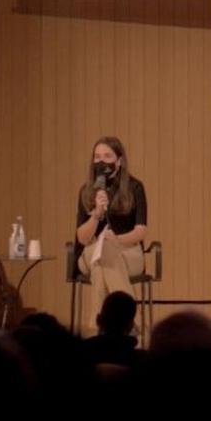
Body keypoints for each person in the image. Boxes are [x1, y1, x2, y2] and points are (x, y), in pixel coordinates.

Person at [75, 136, 147, 334]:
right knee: (100, 253)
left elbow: (140, 231)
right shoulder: (87, 190)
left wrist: (115, 241)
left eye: (107, 156)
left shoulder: (135, 187)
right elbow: (82, 238)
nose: (101, 161)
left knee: (101, 264)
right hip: (90, 253)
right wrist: (96, 214)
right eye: (97, 157)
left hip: (128, 252)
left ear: (119, 161)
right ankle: (133, 321)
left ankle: (97, 329)